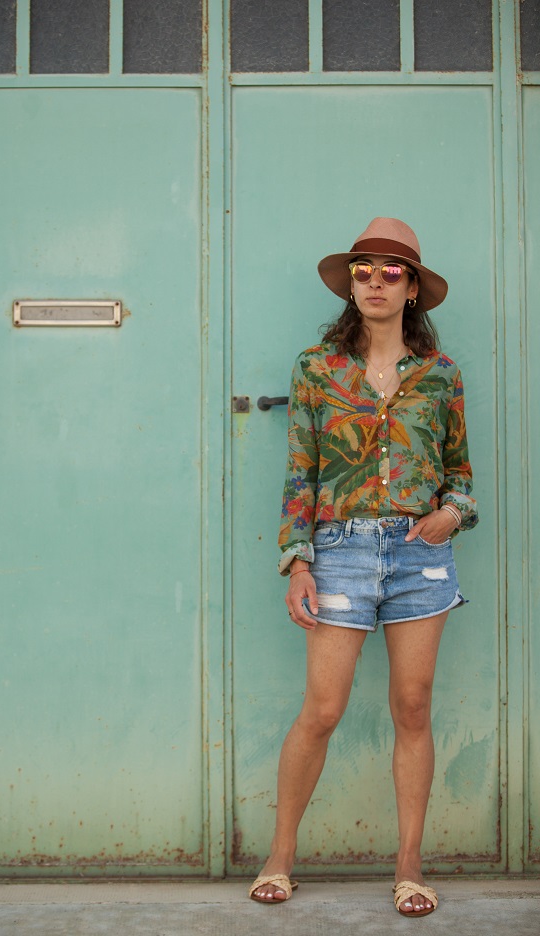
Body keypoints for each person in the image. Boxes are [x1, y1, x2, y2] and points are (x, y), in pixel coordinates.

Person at [248, 218, 478, 917]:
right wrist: (297, 561)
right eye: (364, 269)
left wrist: (453, 512)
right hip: (340, 549)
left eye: (391, 271)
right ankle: (280, 856)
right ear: (351, 284)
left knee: (413, 707)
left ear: (413, 290)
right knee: (322, 710)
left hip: (420, 555)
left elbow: (461, 474)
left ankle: (409, 866)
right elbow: (301, 472)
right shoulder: (317, 368)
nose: (375, 281)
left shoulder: (441, 377)